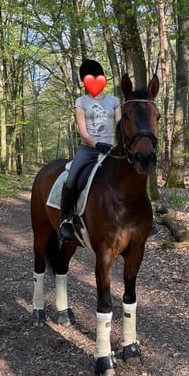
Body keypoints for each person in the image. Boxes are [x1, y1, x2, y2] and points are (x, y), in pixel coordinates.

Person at [58, 59, 121, 243]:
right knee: (72, 179)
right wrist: (96, 144)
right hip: (89, 149)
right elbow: (83, 132)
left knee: (134, 173)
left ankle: (145, 218)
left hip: (111, 149)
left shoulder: (114, 101)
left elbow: (119, 125)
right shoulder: (81, 102)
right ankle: (66, 220)